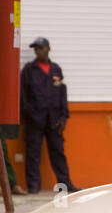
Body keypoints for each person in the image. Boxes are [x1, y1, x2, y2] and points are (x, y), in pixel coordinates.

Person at [20, 37, 77, 192]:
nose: (38, 51)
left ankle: (65, 185)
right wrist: (30, 114)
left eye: (40, 48)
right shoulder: (28, 70)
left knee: (58, 152)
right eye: (36, 49)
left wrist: (64, 116)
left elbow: (62, 93)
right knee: (33, 153)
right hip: (35, 120)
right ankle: (34, 186)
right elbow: (23, 96)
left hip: (54, 120)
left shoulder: (56, 70)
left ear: (48, 49)